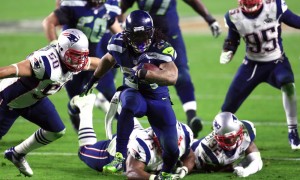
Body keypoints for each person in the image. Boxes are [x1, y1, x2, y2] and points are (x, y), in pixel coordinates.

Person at [81, 10, 182, 177]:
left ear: (151, 32)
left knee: (172, 148)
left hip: (158, 97)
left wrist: (148, 74)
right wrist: (95, 78)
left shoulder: (161, 47)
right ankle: (119, 156)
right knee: (128, 104)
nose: (141, 40)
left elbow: (172, 77)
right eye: (136, 36)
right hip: (133, 91)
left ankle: (165, 174)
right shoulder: (119, 43)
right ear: (127, 35)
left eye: (144, 34)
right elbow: (108, 59)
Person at [0, 29, 102, 177]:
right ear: (62, 50)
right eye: (74, 57)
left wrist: (118, 62)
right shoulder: (45, 63)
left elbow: (93, 63)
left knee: (56, 130)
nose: (79, 62)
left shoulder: (73, 60)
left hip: (34, 100)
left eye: (81, 56)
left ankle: (16, 154)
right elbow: (7, 71)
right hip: (7, 101)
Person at [120, 0, 222, 138]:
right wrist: (122, 27)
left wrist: (209, 19)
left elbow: (193, 1)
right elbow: (120, 8)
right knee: (136, 77)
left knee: (182, 74)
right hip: (142, 41)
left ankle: (191, 116)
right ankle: (137, 124)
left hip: (171, 36)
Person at [219, 0, 300, 150]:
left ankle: (293, 130)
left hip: (277, 62)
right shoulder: (233, 17)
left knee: (288, 84)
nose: (249, 7)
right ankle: (217, 138)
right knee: (227, 108)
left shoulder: (275, 7)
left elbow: (296, 21)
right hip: (251, 65)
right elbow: (232, 39)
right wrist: (228, 50)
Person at [71, 93, 195, 179]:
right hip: (119, 149)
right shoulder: (144, 145)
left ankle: (105, 102)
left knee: (129, 118)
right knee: (84, 150)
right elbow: (132, 172)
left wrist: (184, 170)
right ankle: (85, 106)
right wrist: (155, 178)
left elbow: (190, 156)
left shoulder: (184, 134)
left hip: (138, 132)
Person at [43, 0, 122, 131]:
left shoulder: (110, 6)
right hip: (72, 64)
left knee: (114, 97)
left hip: (95, 61)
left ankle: (132, 133)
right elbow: (49, 22)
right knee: (77, 104)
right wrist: (55, 45)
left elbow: (118, 31)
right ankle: (75, 118)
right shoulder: (74, 4)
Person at [192, 112, 263, 177]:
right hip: (193, 149)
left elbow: (257, 160)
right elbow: (192, 162)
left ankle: (193, 133)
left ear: (240, 131)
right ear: (217, 137)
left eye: (233, 137)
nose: (231, 140)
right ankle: (192, 133)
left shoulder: (247, 131)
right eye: (226, 139)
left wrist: (246, 171)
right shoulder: (208, 150)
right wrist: (235, 166)